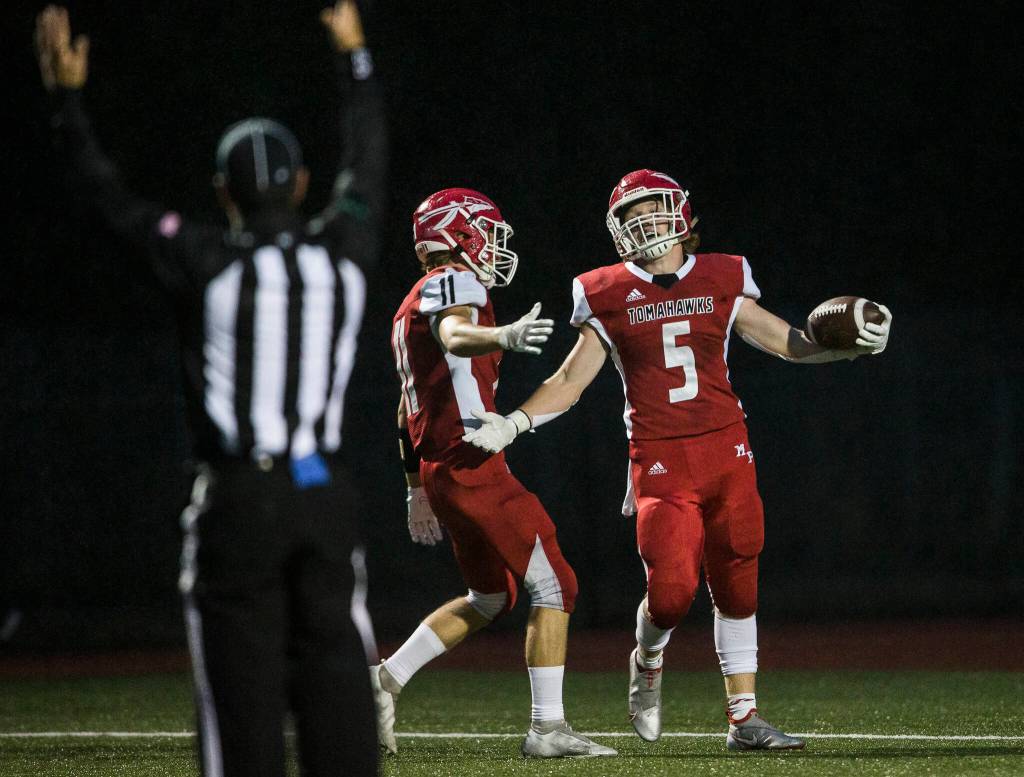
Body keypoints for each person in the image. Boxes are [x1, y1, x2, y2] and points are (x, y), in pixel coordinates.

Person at [35, 3, 387, 775]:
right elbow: (367, 161)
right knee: (337, 684)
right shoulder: (346, 250)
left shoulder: (206, 260)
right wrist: (354, 59)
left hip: (238, 500)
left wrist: (66, 103)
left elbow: (106, 201)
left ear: (223, 193)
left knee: (240, 703)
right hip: (323, 489)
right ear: (299, 184)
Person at [463, 169, 893, 751]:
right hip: (661, 462)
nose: (643, 220)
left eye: (650, 207)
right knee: (670, 594)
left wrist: (845, 349)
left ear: (681, 212)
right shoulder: (606, 289)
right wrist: (515, 422)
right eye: (630, 214)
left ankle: (744, 718)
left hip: (728, 450)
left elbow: (789, 342)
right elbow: (570, 380)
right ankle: (647, 659)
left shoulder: (721, 274)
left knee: (739, 579)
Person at [379, 187, 617, 758]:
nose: (495, 244)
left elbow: (403, 406)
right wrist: (500, 334)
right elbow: (455, 333)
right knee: (557, 582)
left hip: (441, 466)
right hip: (471, 462)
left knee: (490, 595)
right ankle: (548, 728)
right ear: (460, 234)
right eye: (487, 231)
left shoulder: (408, 303)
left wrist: (416, 486)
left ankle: (381, 682)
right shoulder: (455, 282)